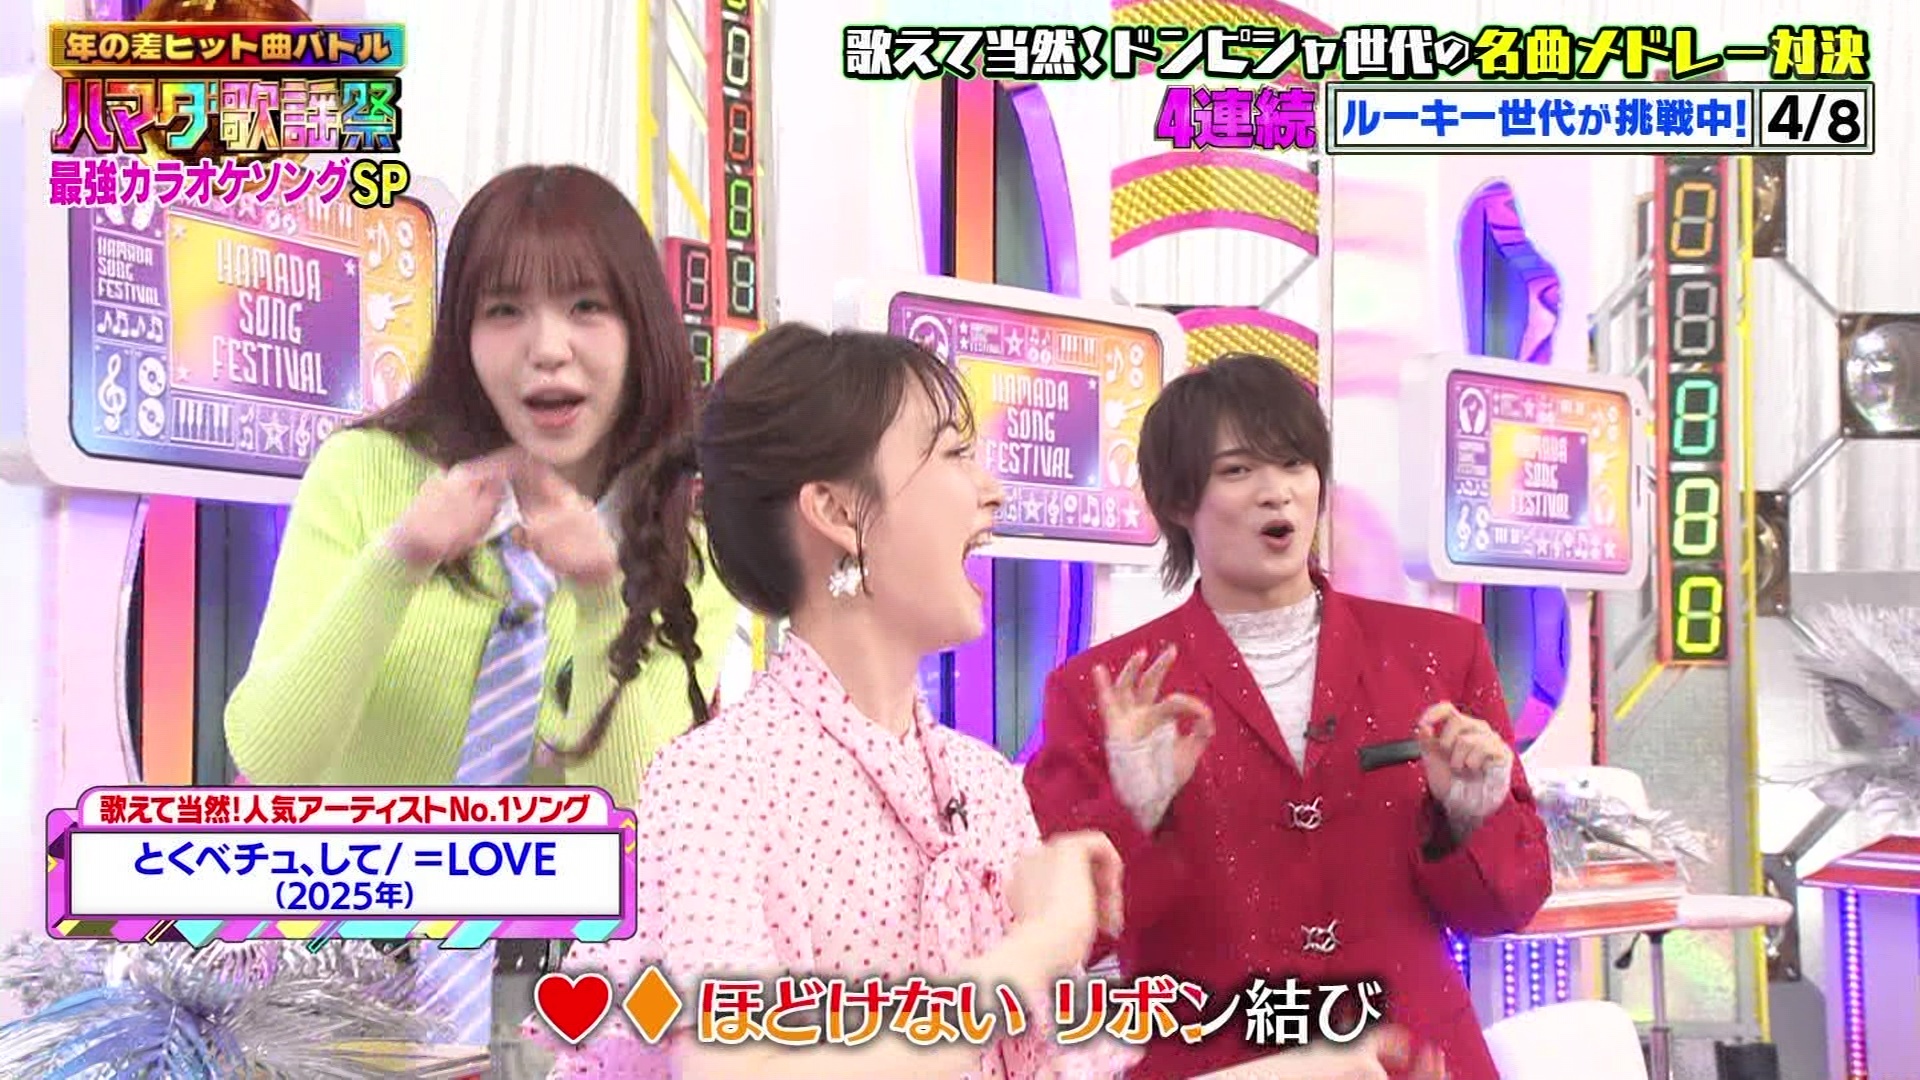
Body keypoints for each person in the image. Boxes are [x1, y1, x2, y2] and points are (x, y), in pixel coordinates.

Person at [538, 327, 1433, 1080]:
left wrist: (1310, 1071)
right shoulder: (718, 783)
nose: (991, 489)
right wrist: (1042, 944)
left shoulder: (984, 786)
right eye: (955, 454)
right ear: (838, 511)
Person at [223, 165, 738, 1071]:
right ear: (462, 333)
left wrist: (602, 597)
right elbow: (271, 755)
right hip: (340, 975)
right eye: (504, 311)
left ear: (640, 328)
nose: (548, 348)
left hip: (574, 999)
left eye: (586, 307)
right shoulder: (364, 472)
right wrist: (399, 560)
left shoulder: (687, 527)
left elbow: (641, 819)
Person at [1023, 353, 1553, 1080]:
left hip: (1411, 1059)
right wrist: (1132, 812)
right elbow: (1065, 940)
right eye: (1238, 470)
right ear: (1178, 500)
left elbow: (1507, 907)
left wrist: (1470, 816)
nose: (1277, 492)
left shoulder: (1438, 652)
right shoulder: (1107, 690)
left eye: (1295, 464)